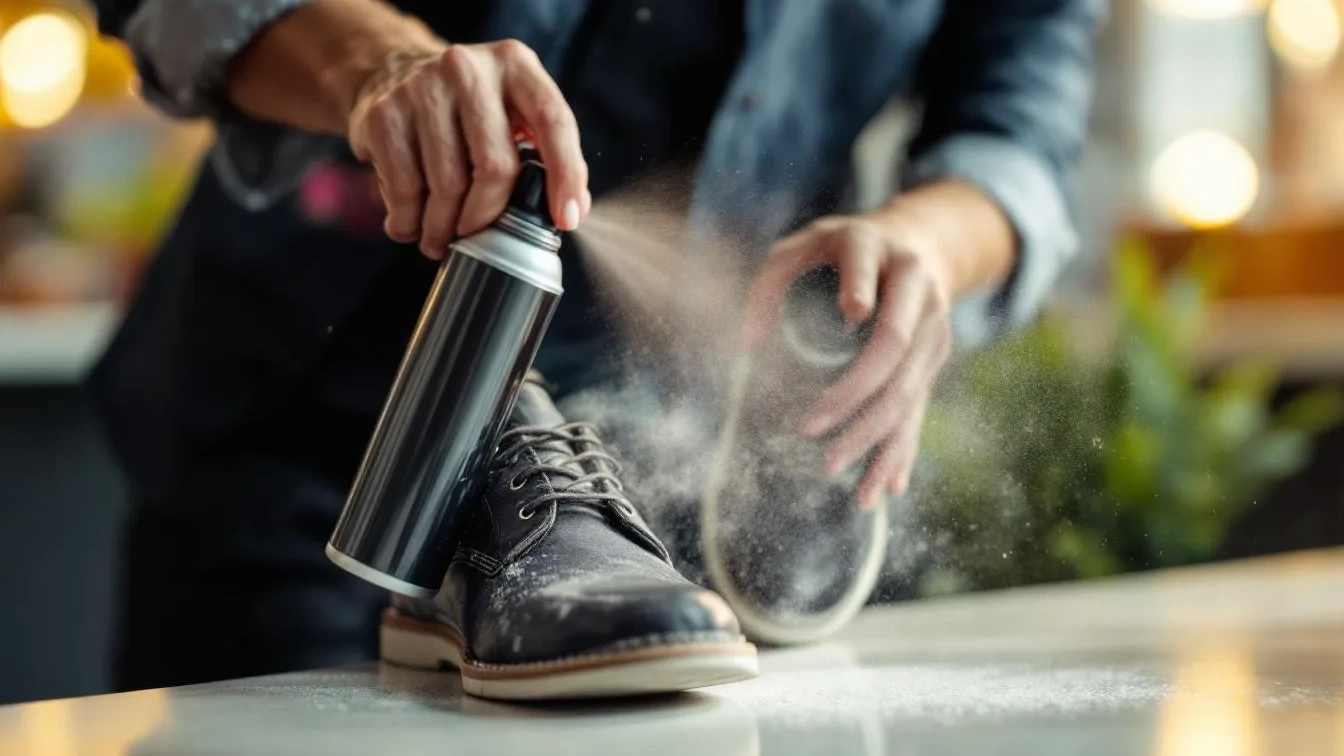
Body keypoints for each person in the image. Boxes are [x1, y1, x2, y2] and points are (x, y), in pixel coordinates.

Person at [88, 0, 1102, 698]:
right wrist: (379, 68)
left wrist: (928, 240)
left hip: (646, 528)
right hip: (294, 451)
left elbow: (1019, 133)